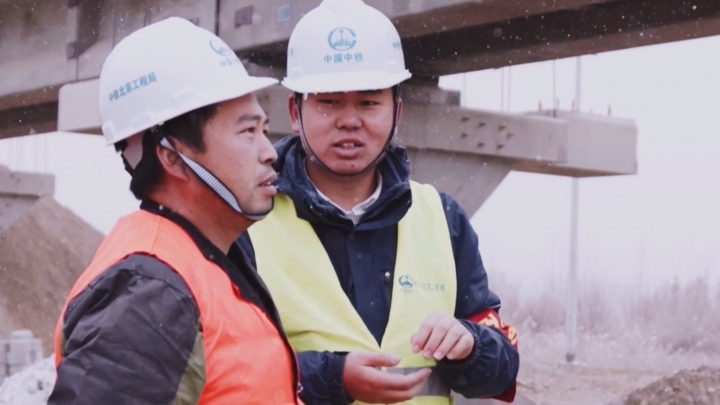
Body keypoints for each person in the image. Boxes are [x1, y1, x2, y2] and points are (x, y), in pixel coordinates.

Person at [239, 0, 520, 404]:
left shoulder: (442, 218)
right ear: (295, 112)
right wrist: (332, 378)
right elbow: (226, 366)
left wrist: (471, 345)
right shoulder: (245, 222)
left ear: (396, 113)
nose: (349, 120)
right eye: (329, 101)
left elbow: (500, 370)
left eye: (368, 102)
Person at [49, 17, 303, 405]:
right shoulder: (149, 292)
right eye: (247, 132)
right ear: (172, 156)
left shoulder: (201, 262)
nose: (270, 152)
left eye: (263, 131)